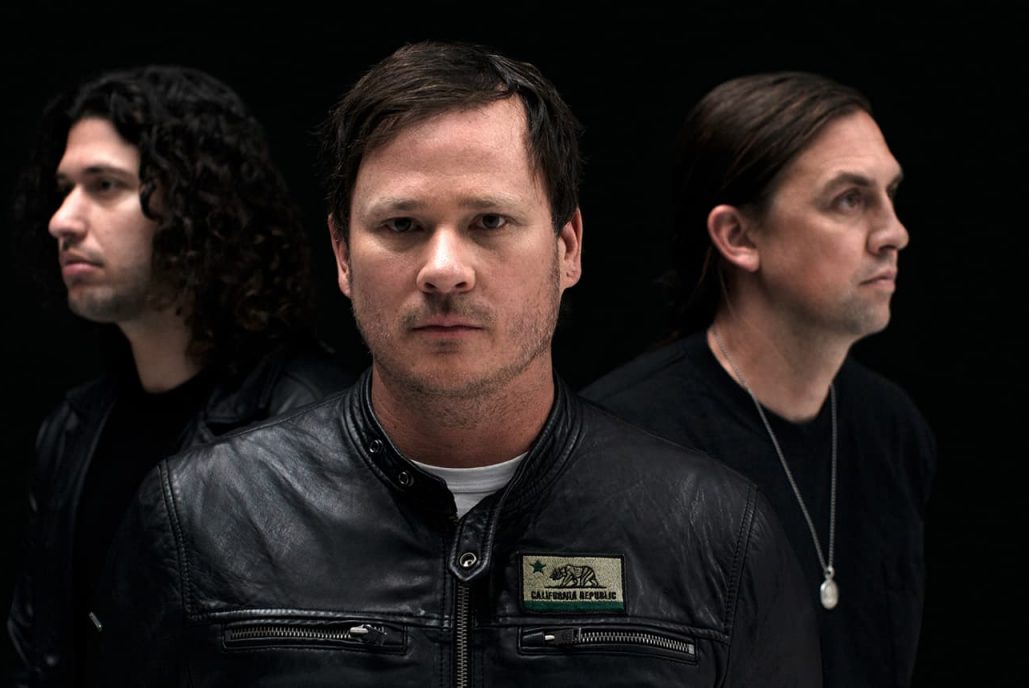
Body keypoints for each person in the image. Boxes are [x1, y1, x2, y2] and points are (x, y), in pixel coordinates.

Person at [88, 42, 820, 687]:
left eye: (489, 222)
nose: (444, 269)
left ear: (567, 249)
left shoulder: (717, 534)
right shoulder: (202, 518)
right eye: (402, 225)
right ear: (342, 255)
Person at [4, 65, 353, 688]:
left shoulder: (314, 428)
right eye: (63, 189)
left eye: (104, 186)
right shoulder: (72, 431)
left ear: (199, 206)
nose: (62, 219)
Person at [584, 72, 936, 687]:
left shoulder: (893, 430)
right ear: (739, 236)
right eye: (849, 200)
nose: (894, 233)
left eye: (890, 194)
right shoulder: (614, 448)